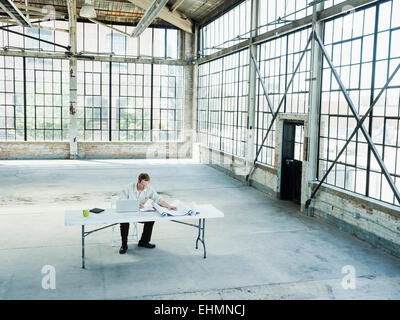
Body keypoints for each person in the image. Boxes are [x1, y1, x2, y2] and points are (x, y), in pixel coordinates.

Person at [117, 173, 176, 254]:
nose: (144, 187)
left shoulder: (148, 189)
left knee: (151, 219)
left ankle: (143, 241)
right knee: (124, 223)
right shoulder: (128, 188)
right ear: (138, 181)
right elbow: (121, 202)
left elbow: (158, 199)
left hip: (139, 213)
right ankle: (124, 245)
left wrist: (169, 206)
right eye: (142, 185)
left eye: (146, 185)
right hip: (127, 212)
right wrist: (135, 204)